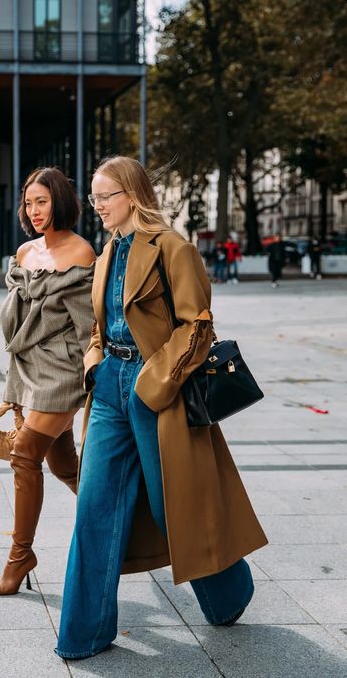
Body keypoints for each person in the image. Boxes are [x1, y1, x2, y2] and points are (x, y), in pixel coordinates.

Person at [55, 156, 268, 660]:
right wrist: (94, 367)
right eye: (93, 197)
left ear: (131, 194)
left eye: (105, 196)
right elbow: (97, 327)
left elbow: (198, 325)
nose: (97, 206)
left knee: (171, 505)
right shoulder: (106, 255)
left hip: (157, 389)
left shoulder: (174, 248)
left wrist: (153, 385)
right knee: (94, 509)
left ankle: (229, 593)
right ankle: (82, 635)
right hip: (109, 389)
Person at [0, 167, 95, 596]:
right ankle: (131, 524)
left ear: (61, 201)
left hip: (62, 373)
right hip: (29, 368)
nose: (34, 211)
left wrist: (90, 374)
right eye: (29, 203)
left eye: (42, 201)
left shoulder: (81, 252)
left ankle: (19, 558)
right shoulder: (25, 252)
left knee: (25, 455)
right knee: (63, 462)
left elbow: (89, 327)